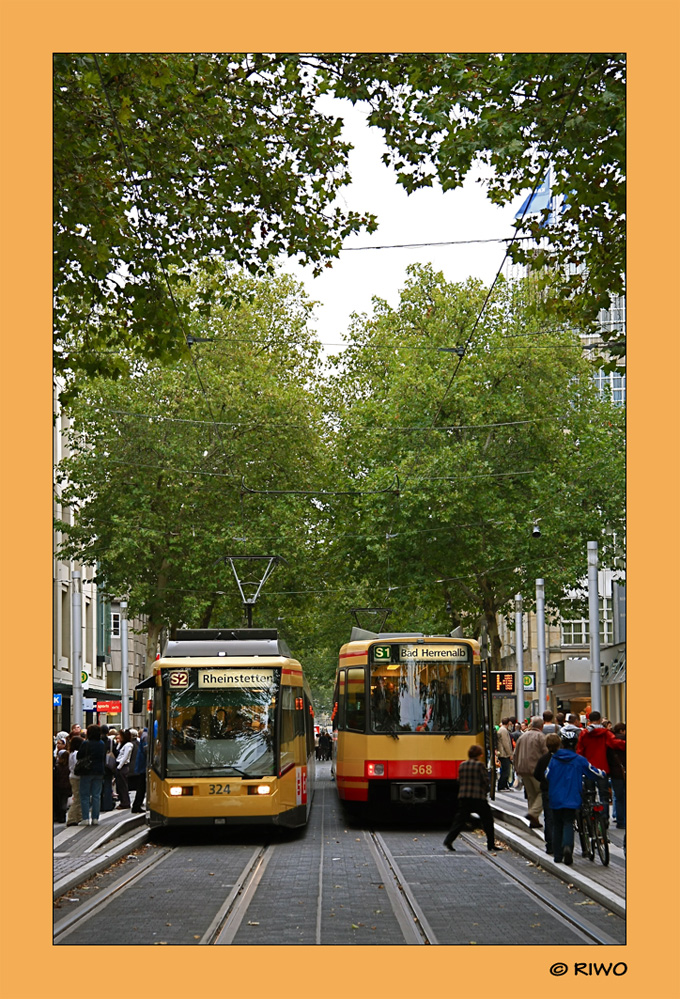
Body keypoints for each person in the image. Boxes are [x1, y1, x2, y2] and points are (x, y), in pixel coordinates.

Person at [545, 730, 607, 865]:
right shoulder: (579, 760)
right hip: (572, 797)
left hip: (555, 797)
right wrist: (602, 773)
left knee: (557, 824)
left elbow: (547, 775)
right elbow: (592, 772)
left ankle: (557, 855)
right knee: (568, 822)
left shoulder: (554, 759)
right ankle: (568, 847)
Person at [443, 744, 500, 853]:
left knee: (459, 821)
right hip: (478, 797)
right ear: (479, 754)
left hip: (464, 797)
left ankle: (449, 840)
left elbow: (459, 780)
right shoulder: (480, 765)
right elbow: (485, 781)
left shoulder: (462, 765)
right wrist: (485, 790)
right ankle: (491, 844)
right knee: (488, 820)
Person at [576, 710, 626, 821]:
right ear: (599, 720)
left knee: (590, 794)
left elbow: (580, 750)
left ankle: (592, 818)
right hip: (602, 768)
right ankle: (604, 819)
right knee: (604, 795)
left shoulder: (584, 733)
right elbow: (614, 743)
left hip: (587, 768)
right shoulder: (605, 733)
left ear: (589, 720)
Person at [513, 716, 547, 828]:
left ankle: (534, 821)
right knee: (542, 792)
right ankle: (533, 814)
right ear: (541, 726)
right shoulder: (541, 737)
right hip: (535, 769)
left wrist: (516, 768)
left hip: (523, 769)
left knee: (531, 795)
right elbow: (546, 754)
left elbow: (515, 754)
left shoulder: (522, 737)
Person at [533, 733, 562, 854]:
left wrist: (544, 782)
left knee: (549, 818)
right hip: (561, 791)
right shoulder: (562, 758)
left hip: (547, 791)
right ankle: (560, 843)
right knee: (560, 818)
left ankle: (550, 844)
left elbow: (537, 774)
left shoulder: (543, 759)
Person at [77, 724, 106, 825]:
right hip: (99, 771)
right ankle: (95, 818)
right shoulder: (102, 743)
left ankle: (85, 818)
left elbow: (79, 755)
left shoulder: (86, 743)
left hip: (86, 771)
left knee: (84, 795)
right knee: (96, 795)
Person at [607, 722, 626, 829]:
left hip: (616, 773)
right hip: (626, 772)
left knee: (618, 798)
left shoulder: (610, 743)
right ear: (622, 731)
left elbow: (608, 758)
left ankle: (620, 821)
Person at [66, 734, 84, 826]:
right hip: (77, 777)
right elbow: (78, 765)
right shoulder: (76, 753)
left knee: (78, 797)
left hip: (72, 776)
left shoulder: (71, 753)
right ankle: (72, 818)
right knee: (77, 798)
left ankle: (78, 816)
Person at [114, 729, 134, 809]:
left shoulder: (128, 745)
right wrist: (119, 743)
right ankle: (123, 802)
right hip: (120, 765)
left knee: (123, 786)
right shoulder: (123, 744)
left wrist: (119, 767)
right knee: (120, 785)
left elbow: (125, 757)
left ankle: (125, 803)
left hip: (123, 766)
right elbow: (117, 751)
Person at [131, 727, 148, 813]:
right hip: (144, 765)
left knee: (142, 786)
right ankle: (136, 805)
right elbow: (146, 750)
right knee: (141, 786)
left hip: (142, 765)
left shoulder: (145, 735)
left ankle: (137, 805)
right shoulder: (146, 735)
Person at [496, 718, 514, 791]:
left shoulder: (501, 729)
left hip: (503, 752)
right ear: (508, 723)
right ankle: (501, 785)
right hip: (504, 753)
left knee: (505, 769)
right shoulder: (503, 730)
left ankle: (505, 785)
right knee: (506, 770)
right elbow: (506, 743)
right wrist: (510, 754)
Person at [53, 749, 71, 823]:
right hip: (66, 788)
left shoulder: (57, 767)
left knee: (58, 802)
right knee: (63, 802)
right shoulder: (69, 767)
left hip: (58, 787)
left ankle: (58, 816)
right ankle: (62, 817)